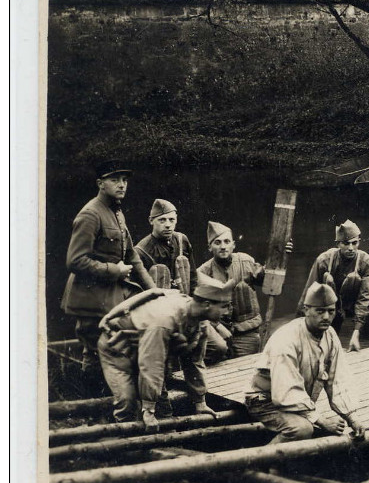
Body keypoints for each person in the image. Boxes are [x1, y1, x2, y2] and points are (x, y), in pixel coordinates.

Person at [61, 159, 156, 384]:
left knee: (113, 348)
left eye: (124, 180)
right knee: (95, 351)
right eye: (114, 180)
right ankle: (92, 403)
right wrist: (115, 270)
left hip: (110, 296)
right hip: (89, 298)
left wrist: (154, 291)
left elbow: (132, 255)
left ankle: (108, 399)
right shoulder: (90, 214)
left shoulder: (116, 212)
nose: (122, 185)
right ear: (100, 183)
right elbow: (75, 261)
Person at [96, 273, 233, 430]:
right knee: (127, 402)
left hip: (147, 350)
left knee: (164, 411)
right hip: (119, 351)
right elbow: (151, 364)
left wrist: (200, 401)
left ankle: (164, 443)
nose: (227, 312)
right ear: (207, 304)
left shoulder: (200, 322)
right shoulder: (165, 320)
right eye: (224, 306)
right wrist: (148, 409)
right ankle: (128, 444)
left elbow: (194, 361)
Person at [245, 281, 365, 444]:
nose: (326, 317)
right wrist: (320, 420)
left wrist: (352, 417)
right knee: (302, 429)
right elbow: (286, 390)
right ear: (306, 310)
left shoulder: (329, 334)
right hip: (264, 400)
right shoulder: (287, 339)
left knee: (310, 423)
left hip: (293, 400)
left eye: (331, 311)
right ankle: (260, 462)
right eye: (320, 311)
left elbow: (336, 380)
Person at [299, 220, 369, 363]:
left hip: (354, 304)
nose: (351, 248)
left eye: (354, 243)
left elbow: (364, 297)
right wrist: (301, 323)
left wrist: (356, 331)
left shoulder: (368, 263)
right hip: (330, 308)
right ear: (338, 244)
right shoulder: (324, 260)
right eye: (346, 243)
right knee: (321, 352)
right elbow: (309, 293)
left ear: (359, 242)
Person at [196, 221, 274, 358]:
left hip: (247, 334)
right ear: (209, 247)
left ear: (233, 245)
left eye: (227, 241)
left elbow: (270, 283)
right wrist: (216, 326)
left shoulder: (246, 261)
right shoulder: (203, 272)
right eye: (217, 242)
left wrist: (279, 254)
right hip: (219, 335)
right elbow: (196, 310)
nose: (223, 246)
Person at [134, 199, 199, 294]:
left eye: (171, 220)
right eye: (162, 220)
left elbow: (193, 277)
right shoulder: (142, 251)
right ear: (151, 221)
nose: (168, 225)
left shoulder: (182, 240)